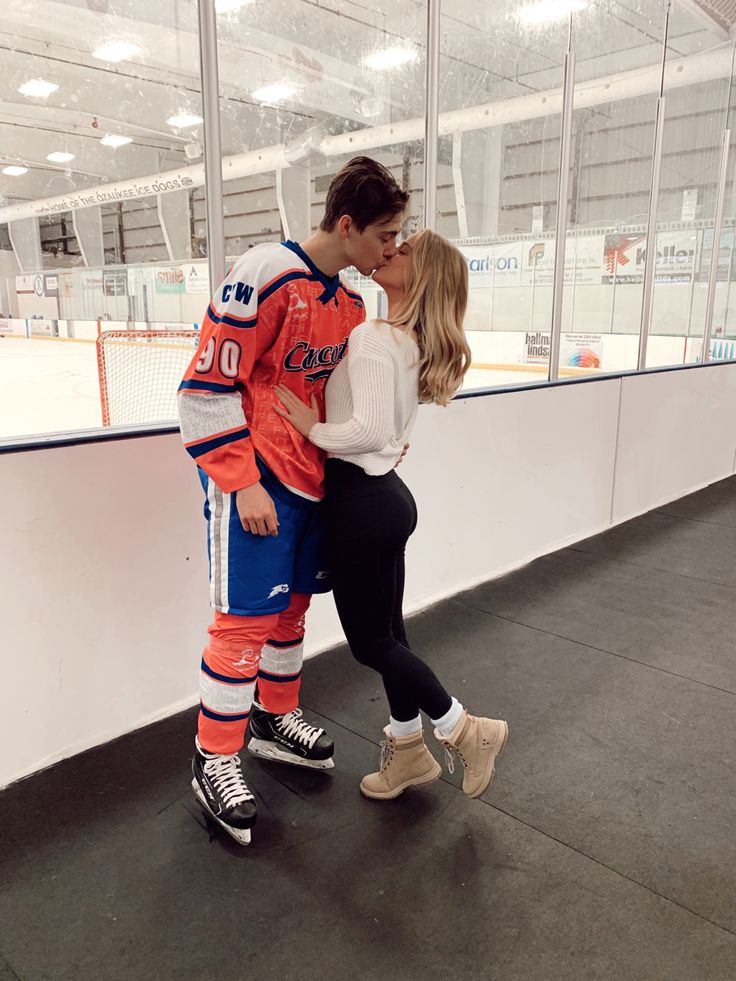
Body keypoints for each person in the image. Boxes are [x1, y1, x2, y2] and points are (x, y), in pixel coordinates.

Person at [177, 157, 409, 844]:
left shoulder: (352, 301)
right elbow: (204, 388)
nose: (393, 249)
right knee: (244, 621)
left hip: (316, 482)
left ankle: (273, 717)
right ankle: (214, 756)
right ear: (347, 224)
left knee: (291, 610)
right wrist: (241, 478)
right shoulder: (264, 274)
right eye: (386, 235)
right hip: (257, 482)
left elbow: (345, 400)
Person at [274, 228, 509, 801]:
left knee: (370, 645)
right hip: (384, 499)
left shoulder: (377, 338)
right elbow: (385, 432)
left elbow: (368, 431)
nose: (389, 252)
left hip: (363, 502)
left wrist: (310, 428)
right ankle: (407, 751)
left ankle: (462, 729)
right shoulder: (402, 340)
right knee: (390, 635)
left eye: (402, 252)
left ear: (420, 275)